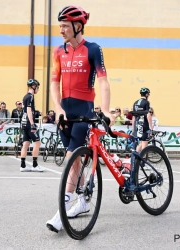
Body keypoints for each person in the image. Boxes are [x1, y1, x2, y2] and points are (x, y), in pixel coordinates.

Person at [46, 5, 114, 233]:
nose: (61, 30)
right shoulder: (58, 52)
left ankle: (62, 211)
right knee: (75, 161)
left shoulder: (93, 49)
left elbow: (103, 81)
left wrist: (104, 110)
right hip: (65, 112)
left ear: (78, 26)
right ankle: (84, 201)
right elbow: (54, 82)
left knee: (71, 158)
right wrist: (57, 108)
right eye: (60, 26)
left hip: (84, 111)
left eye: (65, 26)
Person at [20, 79, 44, 172]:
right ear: (33, 86)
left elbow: (25, 111)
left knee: (26, 143)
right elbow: (29, 110)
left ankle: (22, 165)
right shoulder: (30, 96)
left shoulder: (25, 96)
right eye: (37, 87)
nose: (38, 89)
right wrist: (33, 124)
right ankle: (35, 165)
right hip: (29, 123)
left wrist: (36, 113)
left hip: (24, 122)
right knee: (37, 142)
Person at [132, 87, 153, 152]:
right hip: (144, 124)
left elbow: (133, 117)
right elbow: (148, 115)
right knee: (145, 144)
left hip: (137, 124)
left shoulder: (135, 102)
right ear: (146, 94)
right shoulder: (146, 102)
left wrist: (133, 128)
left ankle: (134, 158)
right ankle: (143, 160)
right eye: (148, 94)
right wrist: (151, 127)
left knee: (141, 143)